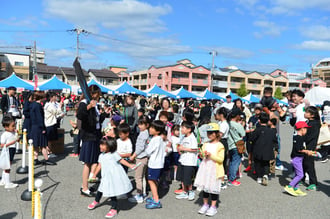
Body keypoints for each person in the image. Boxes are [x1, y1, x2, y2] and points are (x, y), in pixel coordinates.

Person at [87, 137, 135, 218]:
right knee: (100, 189)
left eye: (103, 145)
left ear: (110, 146)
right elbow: (100, 165)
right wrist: (94, 174)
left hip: (113, 177)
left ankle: (114, 208)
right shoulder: (101, 155)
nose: (100, 146)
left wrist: (130, 165)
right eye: (100, 144)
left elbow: (121, 160)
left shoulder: (114, 154)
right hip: (105, 176)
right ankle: (96, 201)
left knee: (112, 192)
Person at [194, 123, 224, 217]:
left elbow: (221, 159)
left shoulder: (220, 145)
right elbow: (201, 155)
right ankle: (205, 204)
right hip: (205, 168)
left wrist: (211, 156)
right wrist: (203, 155)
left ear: (216, 134)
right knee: (205, 187)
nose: (209, 135)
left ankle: (213, 207)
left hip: (215, 169)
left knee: (213, 188)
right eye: (208, 133)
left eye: (212, 133)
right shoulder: (205, 144)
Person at [77, 85, 102, 197]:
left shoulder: (94, 103)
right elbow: (80, 115)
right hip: (88, 136)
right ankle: (84, 187)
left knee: (93, 160)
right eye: (97, 93)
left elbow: (96, 120)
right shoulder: (84, 103)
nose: (99, 96)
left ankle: (90, 179)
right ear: (93, 93)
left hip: (95, 135)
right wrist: (89, 107)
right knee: (87, 162)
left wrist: (104, 113)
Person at [284, 121, 314, 197]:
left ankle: (296, 188)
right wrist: (307, 151)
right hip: (297, 158)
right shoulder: (299, 138)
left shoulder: (297, 137)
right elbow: (299, 149)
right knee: (300, 175)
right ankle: (290, 186)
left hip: (297, 158)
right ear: (302, 129)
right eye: (306, 129)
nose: (307, 131)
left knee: (298, 174)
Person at [249, 112, 278, 185]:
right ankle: (265, 174)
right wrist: (275, 148)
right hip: (268, 149)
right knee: (266, 163)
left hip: (258, 149)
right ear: (268, 121)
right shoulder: (271, 131)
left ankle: (259, 177)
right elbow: (275, 140)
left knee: (258, 163)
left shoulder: (257, 130)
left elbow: (252, 139)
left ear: (259, 120)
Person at [30, 92, 56, 166]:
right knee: (43, 145)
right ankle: (46, 159)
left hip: (33, 126)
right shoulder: (38, 106)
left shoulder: (32, 105)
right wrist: (43, 128)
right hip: (39, 127)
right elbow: (40, 118)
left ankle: (35, 158)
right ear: (41, 98)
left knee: (36, 144)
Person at [128, 116, 150, 203]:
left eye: (142, 124)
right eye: (139, 124)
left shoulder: (143, 134)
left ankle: (139, 195)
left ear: (147, 125)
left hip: (140, 158)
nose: (139, 126)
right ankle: (143, 193)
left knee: (138, 177)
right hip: (145, 158)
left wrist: (133, 156)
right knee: (143, 177)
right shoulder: (146, 133)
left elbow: (140, 148)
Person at [145, 120, 166, 209]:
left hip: (154, 164)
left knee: (151, 181)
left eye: (153, 128)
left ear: (157, 131)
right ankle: (155, 197)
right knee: (154, 180)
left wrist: (147, 145)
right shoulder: (160, 139)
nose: (150, 129)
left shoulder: (154, 140)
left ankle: (156, 200)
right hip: (159, 163)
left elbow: (148, 152)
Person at [176, 121, 198, 201]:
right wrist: (180, 149)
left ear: (189, 129)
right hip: (182, 159)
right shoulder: (184, 137)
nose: (181, 129)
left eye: (183, 128)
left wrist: (183, 148)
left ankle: (191, 191)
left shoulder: (192, 138)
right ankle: (184, 191)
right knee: (182, 177)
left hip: (189, 161)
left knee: (187, 178)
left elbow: (195, 149)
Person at [303, 106, 321, 191]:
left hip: (311, 147)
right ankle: (301, 178)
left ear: (312, 115)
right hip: (306, 145)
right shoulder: (309, 121)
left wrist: (302, 137)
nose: (305, 113)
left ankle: (313, 183)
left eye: (307, 112)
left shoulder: (314, 124)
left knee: (309, 164)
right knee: (304, 163)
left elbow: (311, 136)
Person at [227, 108, 245, 186]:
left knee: (231, 162)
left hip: (229, 145)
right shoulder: (237, 125)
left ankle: (230, 176)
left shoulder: (227, 123)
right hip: (237, 145)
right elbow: (243, 134)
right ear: (237, 116)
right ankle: (232, 179)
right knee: (235, 162)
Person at [0, 116, 19, 188]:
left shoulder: (12, 132)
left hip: (12, 150)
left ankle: (3, 180)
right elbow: (2, 145)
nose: (14, 127)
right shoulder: (5, 135)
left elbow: (15, 137)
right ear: (6, 127)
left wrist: (16, 133)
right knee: (7, 167)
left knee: (7, 166)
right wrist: (12, 142)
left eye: (14, 125)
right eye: (12, 126)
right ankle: (7, 183)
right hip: (8, 150)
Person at [44, 92, 64, 157]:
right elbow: (56, 111)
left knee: (52, 139)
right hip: (49, 123)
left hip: (53, 122)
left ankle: (50, 151)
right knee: (49, 139)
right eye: (55, 96)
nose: (56, 98)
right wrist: (60, 106)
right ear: (51, 98)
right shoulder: (49, 105)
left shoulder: (53, 104)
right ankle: (48, 152)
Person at [244, 104, 262, 173]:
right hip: (250, 136)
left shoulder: (261, 118)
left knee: (255, 153)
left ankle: (255, 168)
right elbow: (249, 125)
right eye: (256, 109)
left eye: (258, 109)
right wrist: (250, 127)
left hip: (257, 138)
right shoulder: (252, 117)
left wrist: (253, 129)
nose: (257, 110)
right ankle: (249, 165)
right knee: (249, 152)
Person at [214, 107, 229, 189]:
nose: (216, 115)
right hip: (221, 142)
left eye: (217, 114)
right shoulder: (220, 122)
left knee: (221, 162)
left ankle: (222, 181)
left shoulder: (224, 124)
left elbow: (220, 135)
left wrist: (214, 142)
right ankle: (220, 178)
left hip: (222, 142)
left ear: (221, 115)